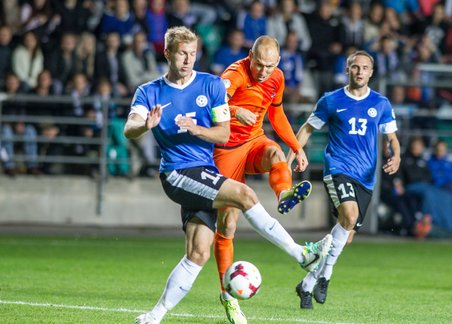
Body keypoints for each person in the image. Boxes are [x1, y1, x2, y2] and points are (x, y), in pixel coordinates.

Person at [124, 27, 332, 324]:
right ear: (167, 53)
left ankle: (153, 317)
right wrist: (146, 123)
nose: (187, 60)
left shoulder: (209, 85)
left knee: (198, 253)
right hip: (178, 172)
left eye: (192, 53)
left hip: (205, 170)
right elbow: (129, 128)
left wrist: (198, 129)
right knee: (245, 195)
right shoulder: (149, 92)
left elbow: (222, 134)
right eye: (181, 53)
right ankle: (302, 255)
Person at [288, 50, 401, 309]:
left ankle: (306, 284)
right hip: (337, 168)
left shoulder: (381, 103)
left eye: (364, 68)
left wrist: (397, 157)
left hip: (366, 177)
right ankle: (326, 276)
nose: (360, 71)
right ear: (347, 70)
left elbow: (392, 138)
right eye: (355, 67)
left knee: (346, 235)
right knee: (348, 217)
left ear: (371, 72)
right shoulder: (331, 100)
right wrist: (293, 153)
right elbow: (307, 127)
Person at [212, 35, 312, 322]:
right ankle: (227, 295)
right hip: (226, 149)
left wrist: (296, 146)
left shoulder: (276, 78)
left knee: (276, 155)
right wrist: (233, 110)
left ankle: (284, 195)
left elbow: (277, 114)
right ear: (250, 56)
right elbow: (209, 104)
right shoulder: (234, 74)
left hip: (254, 140)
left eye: (270, 65)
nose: (264, 71)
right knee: (228, 224)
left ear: (278, 62)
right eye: (259, 64)